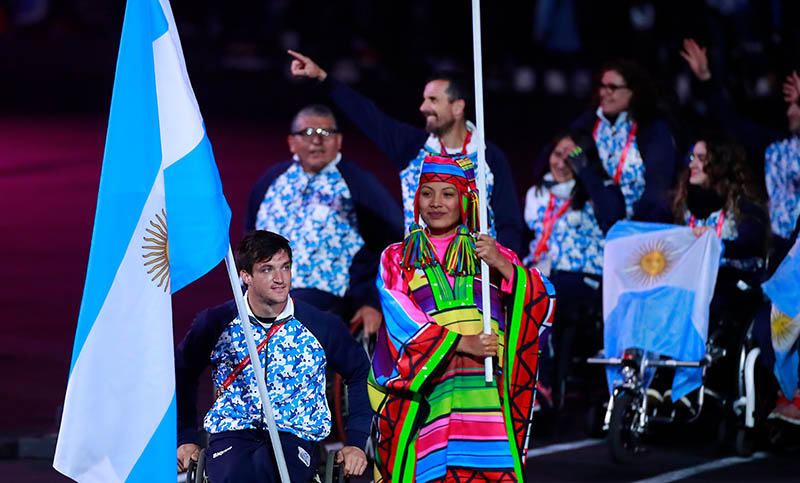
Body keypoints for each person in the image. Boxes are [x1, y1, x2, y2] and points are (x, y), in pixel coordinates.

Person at [368, 154, 555, 481]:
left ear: (465, 201)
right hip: (427, 391)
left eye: (447, 193)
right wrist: (459, 343)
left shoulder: (490, 254)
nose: (436, 202)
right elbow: (399, 313)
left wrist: (504, 265)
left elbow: (542, 300)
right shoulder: (397, 256)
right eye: (427, 193)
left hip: (484, 394)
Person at [175, 231, 371, 481]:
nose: (280, 279)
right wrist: (185, 439)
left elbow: (360, 373)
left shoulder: (321, 325)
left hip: (295, 435)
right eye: (267, 269)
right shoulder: (216, 323)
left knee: (274, 472)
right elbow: (182, 372)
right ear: (246, 276)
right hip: (232, 433)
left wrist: (355, 441)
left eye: (285, 267)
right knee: (237, 474)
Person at [287, 50, 525, 255]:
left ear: (457, 107)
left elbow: (509, 223)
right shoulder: (412, 146)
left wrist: (503, 269)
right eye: (423, 99)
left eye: (433, 100)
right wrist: (323, 78)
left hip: (478, 279)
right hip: (420, 275)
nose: (423, 108)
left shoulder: (488, 156)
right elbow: (368, 115)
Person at [244, 104, 403, 336]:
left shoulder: (359, 185)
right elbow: (249, 239)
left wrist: (372, 302)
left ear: (339, 141)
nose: (316, 141)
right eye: (308, 133)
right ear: (291, 142)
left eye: (325, 133)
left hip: (327, 299)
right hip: (264, 296)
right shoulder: (271, 181)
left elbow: (394, 244)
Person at [523, 131, 626, 407]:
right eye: (558, 155)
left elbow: (614, 219)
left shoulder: (600, 191)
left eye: (570, 159)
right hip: (541, 273)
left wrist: (586, 173)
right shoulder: (537, 192)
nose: (560, 163)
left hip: (585, 277)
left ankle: (539, 383)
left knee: (539, 296)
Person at [671, 134, 768, 403]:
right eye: (692, 157)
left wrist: (717, 245)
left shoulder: (743, 202)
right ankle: (659, 378)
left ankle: (692, 381)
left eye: (702, 159)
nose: (693, 164)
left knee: (710, 296)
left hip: (733, 282)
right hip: (691, 280)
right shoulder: (682, 202)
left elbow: (752, 241)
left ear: (720, 166)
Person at [681, 38, 800, 255]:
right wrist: (707, 81)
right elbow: (734, 125)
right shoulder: (777, 147)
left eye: (797, 105)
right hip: (779, 253)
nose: (789, 111)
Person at [570, 59, 677, 222]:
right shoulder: (589, 122)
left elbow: (658, 189)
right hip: (596, 223)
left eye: (612, 87)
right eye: (602, 86)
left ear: (633, 92)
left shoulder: (653, 129)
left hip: (640, 226)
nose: (603, 93)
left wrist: (634, 225)